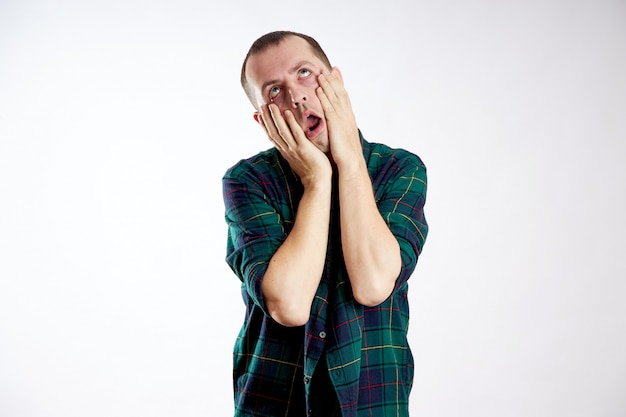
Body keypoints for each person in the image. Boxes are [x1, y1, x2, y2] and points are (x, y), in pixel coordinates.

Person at [222, 30, 428, 417]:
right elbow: (289, 304)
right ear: (262, 119)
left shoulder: (399, 169)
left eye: (304, 72)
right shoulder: (247, 181)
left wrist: (348, 161)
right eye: (273, 92)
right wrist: (317, 180)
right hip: (272, 405)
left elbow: (373, 285)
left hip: (373, 404)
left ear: (335, 80)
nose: (296, 96)